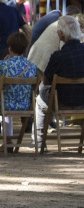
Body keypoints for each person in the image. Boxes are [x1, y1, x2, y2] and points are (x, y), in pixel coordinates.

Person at [34, 16, 84, 153]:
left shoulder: (58, 56)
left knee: (40, 99)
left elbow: (46, 81)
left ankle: (39, 142)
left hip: (61, 102)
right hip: (82, 101)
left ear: (61, 34)